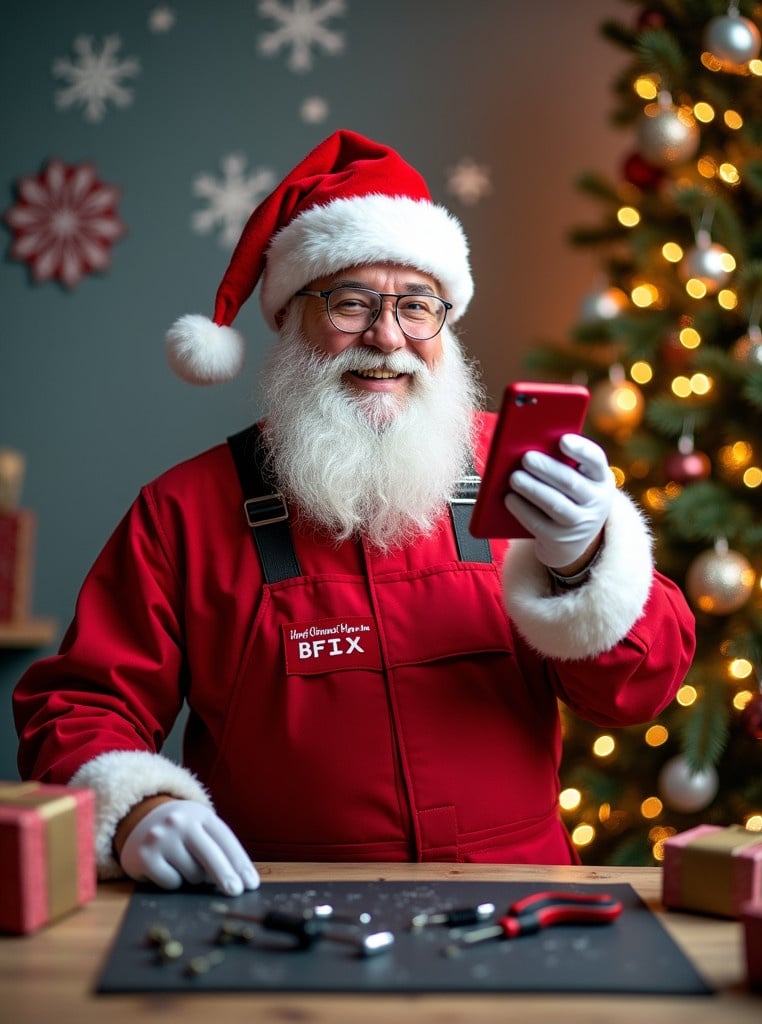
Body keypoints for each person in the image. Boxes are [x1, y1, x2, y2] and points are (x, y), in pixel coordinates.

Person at [13, 130, 696, 898]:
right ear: (291, 319)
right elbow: (78, 706)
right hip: (274, 912)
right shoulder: (184, 512)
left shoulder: (528, 475)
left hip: (519, 902)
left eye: (416, 306)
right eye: (350, 303)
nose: (387, 336)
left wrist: (585, 564)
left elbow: (639, 693)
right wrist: (136, 807)